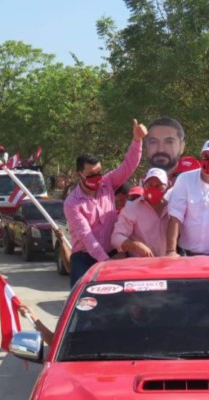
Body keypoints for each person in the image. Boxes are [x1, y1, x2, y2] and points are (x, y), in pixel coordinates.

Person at [64, 119, 147, 287]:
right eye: (92, 175)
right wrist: (107, 262)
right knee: (81, 300)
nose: (98, 178)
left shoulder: (108, 183)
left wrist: (137, 140)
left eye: (99, 173)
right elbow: (88, 238)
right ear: (79, 175)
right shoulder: (72, 203)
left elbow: (128, 166)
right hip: (85, 257)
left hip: (113, 253)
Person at [111, 168, 170, 257]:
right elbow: (116, 238)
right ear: (143, 184)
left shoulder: (172, 208)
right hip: (141, 266)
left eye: (158, 185)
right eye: (149, 185)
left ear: (167, 187)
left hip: (167, 264)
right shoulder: (131, 208)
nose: (153, 189)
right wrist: (136, 246)